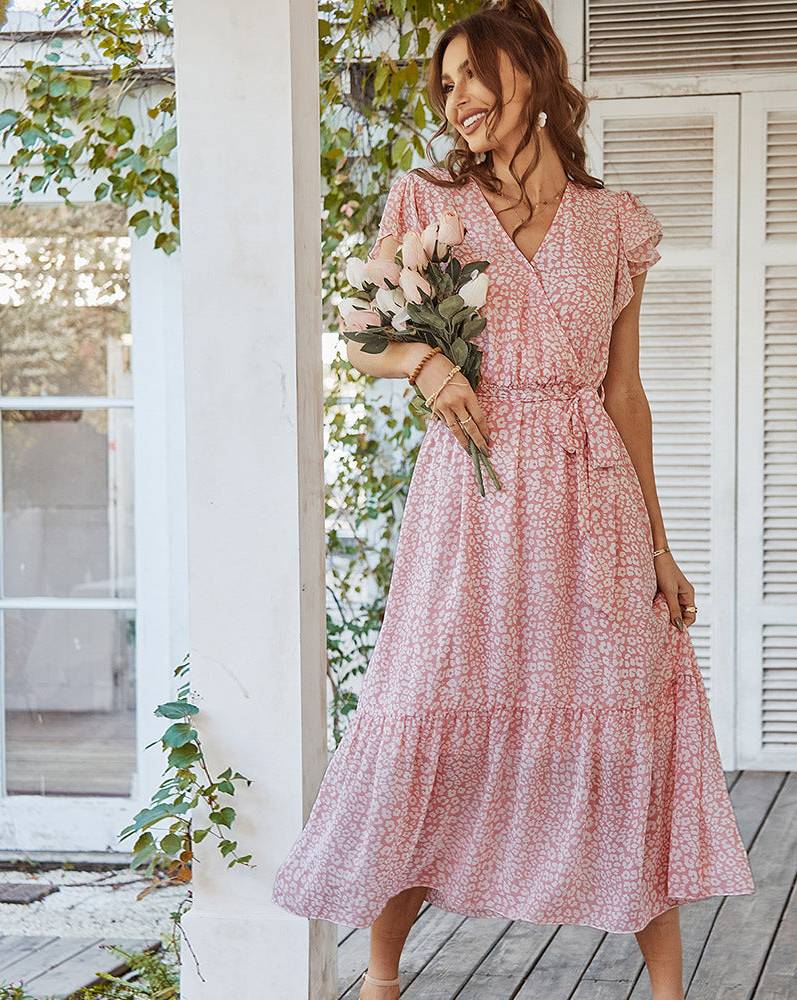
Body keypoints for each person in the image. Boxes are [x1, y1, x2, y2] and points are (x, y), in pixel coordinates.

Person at [272, 1, 755, 997]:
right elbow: (365, 334)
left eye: (471, 75)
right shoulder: (428, 202)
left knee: (624, 712)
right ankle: (381, 973)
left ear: (530, 73)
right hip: (474, 502)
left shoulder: (614, 220)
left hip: (594, 499)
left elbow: (624, 391)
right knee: (436, 708)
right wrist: (426, 368)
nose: (455, 99)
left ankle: (666, 987)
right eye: (443, 85)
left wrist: (661, 545)